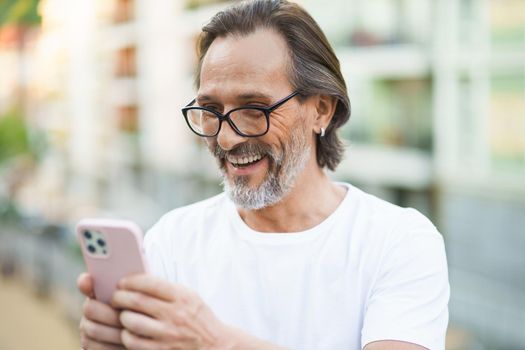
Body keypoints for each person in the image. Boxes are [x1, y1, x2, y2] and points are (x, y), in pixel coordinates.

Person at [77, 0, 449, 349]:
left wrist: (217, 342)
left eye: (254, 109)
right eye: (210, 109)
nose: (226, 136)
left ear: (321, 109)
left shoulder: (399, 242)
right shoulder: (171, 243)